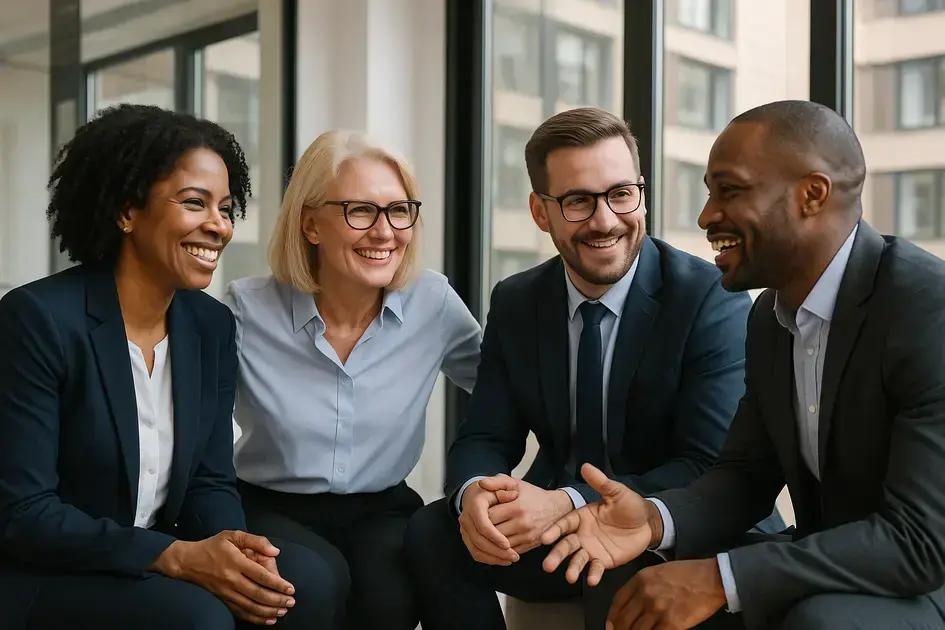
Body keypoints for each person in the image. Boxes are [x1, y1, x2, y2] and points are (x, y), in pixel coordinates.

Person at [541, 100, 945, 630]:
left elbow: (919, 540)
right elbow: (747, 476)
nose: (706, 215)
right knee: (632, 579)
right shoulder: (768, 318)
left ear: (812, 195)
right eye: (709, 193)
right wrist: (652, 521)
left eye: (729, 190)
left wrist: (722, 578)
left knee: (821, 620)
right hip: (830, 559)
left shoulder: (925, 309)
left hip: (924, 578)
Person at [406, 107, 778, 630]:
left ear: (640, 193)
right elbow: (486, 434)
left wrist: (565, 501)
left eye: (621, 194)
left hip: (677, 525)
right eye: (578, 201)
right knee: (431, 531)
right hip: (564, 524)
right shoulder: (517, 301)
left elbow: (705, 465)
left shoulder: (708, 299)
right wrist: (477, 497)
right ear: (541, 211)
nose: (605, 220)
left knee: (621, 579)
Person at [0, 104, 345, 630]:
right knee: (199, 619)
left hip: (157, 556)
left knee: (304, 586)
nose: (218, 226)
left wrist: (232, 550)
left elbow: (209, 480)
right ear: (126, 211)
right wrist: (175, 557)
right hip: (48, 570)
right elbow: (24, 514)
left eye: (226, 208)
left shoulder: (209, 325)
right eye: (194, 203)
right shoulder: (38, 320)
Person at [225, 129, 481, 630]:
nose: (385, 232)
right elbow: (190, 427)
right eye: (360, 211)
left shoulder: (434, 302)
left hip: (382, 509)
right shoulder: (245, 310)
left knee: (388, 595)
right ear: (311, 224)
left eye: (399, 210)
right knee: (310, 585)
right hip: (268, 505)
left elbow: (506, 392)